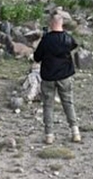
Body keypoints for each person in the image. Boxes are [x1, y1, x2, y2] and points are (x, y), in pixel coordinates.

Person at [33, 12, 81, 144]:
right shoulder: (67, 38)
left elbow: (37, 57)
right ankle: (75, 131)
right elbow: (74, 45)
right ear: (61, 23)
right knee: (68, 103)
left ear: (51, 23)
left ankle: (49, 135)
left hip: (48, 76)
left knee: (48, 105)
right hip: (64, 75)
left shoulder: (46, 39)